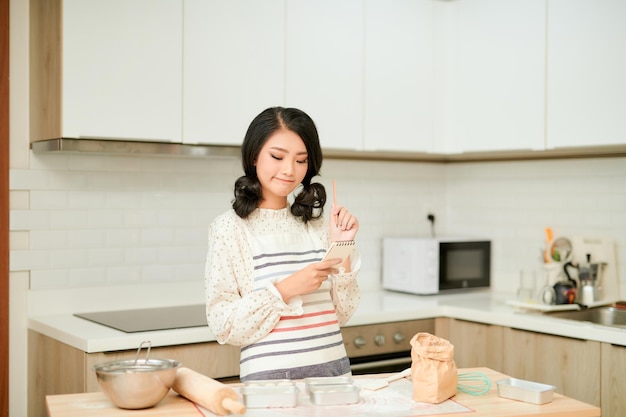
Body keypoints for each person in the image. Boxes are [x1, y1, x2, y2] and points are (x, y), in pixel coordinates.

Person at [204, 106, 361, 381]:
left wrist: (342, 248)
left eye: (301, 161)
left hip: (334, 379)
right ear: (254, 156)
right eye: (277, 156)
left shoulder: (318, 226)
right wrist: (287, 289)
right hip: (270, 387)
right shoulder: (230, 228)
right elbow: (223, 325)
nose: (289, 170)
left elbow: (342, 314)